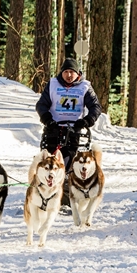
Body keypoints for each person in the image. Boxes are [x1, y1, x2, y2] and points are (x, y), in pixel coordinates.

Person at [35, 58, 102, 206]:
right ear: (62, 73)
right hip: (53, 128)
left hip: (75, 130)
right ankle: (44, 195)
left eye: (72, 72)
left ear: (77, 73)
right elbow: (41, 105)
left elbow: (95, 107)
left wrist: (87, 120)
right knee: (49, 163)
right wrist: (46, 118)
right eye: (66, 72)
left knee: (71, 163)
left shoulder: (85, 87)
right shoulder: (52, 84)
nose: (69, 75)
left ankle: (67, 196)